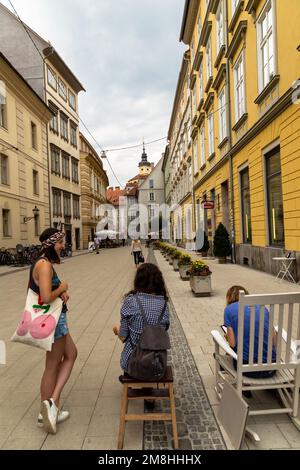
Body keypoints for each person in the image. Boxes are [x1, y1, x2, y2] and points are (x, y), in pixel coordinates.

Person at [29, 228, 77, 434]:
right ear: (51, 244)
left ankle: (51, 404)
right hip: (54, 321)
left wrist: (61, 293)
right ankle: (48, 408)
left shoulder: (42, 262)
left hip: (58, 319)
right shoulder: (44, 265)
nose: (62, 245)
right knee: (52, 365)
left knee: (71, 354)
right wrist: (63, 287)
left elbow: (48, 293)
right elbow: (47, 296)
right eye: (60, 242)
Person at [113, 263, 170, 377]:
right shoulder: (164, 304)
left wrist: (116, 331)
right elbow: (163, 330)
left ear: (138, 281)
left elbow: (123, 337)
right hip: (157, 365)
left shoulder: (130, 301)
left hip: (133, 364)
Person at [224, 286, 277, 379]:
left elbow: (232, 344)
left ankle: (245, 387)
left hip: (247, 369)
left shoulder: (229, 310)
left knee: (232, 349)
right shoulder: (263, 308)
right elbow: (274, 342)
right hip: (271, 368)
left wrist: (227, 337)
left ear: (229, 298)